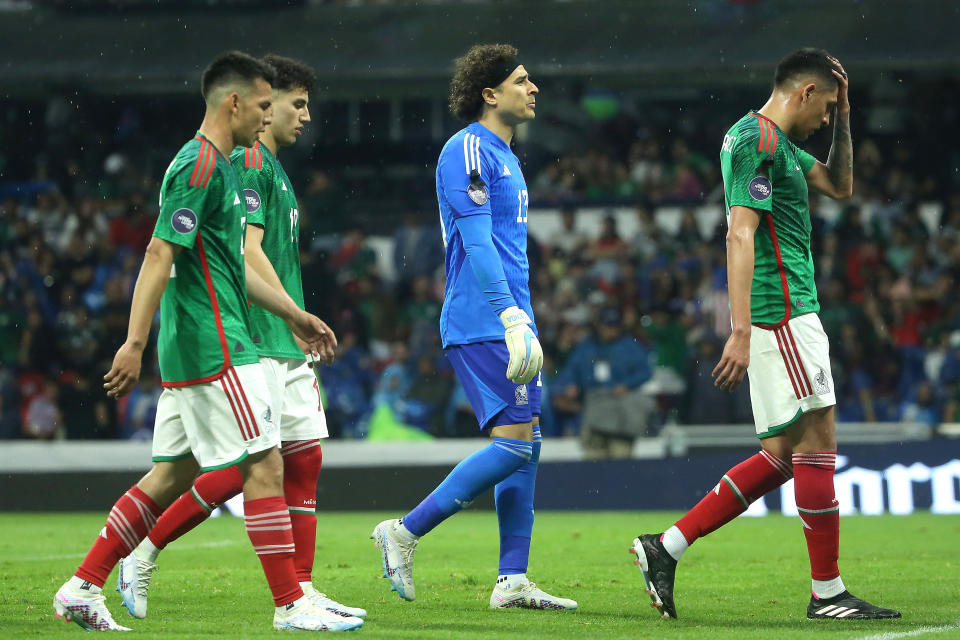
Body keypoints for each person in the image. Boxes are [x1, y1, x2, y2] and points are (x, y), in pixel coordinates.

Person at [52, 51, 361, 632]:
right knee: (266, 464)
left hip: (208, 341)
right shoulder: (196, 166)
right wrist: (133, 342)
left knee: (169, 475)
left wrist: (295, 313)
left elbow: (238, 267)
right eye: (265, 104)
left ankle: (82, 585)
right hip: (216, 344)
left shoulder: (219, 168)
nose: (269, 117)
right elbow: (158, 252)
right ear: (235, 102)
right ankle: (291, 603)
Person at [631, 48, 900, 621]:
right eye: (827, 107)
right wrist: (740, 327)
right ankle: (827, 594)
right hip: (782, 312)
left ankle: (666, 547)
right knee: (818, 443)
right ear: (803, 93)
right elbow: (740, 233)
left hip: (788, 310)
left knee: (782, 455)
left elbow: (841, 185)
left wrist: (848, 116)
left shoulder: (776, 145)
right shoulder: (758, 140)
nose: (828, 118)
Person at [371, 43, 576, 611]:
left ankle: (512, 579)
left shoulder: (507, 156)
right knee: (513, 446)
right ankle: (404, 532)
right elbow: (478, 242)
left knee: (527, 445)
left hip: (512, 316)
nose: (533, 89)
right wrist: (509, 316)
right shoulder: (466, 151)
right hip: (484, 317)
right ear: (490, 94)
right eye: (521, 80)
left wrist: (523, 316)